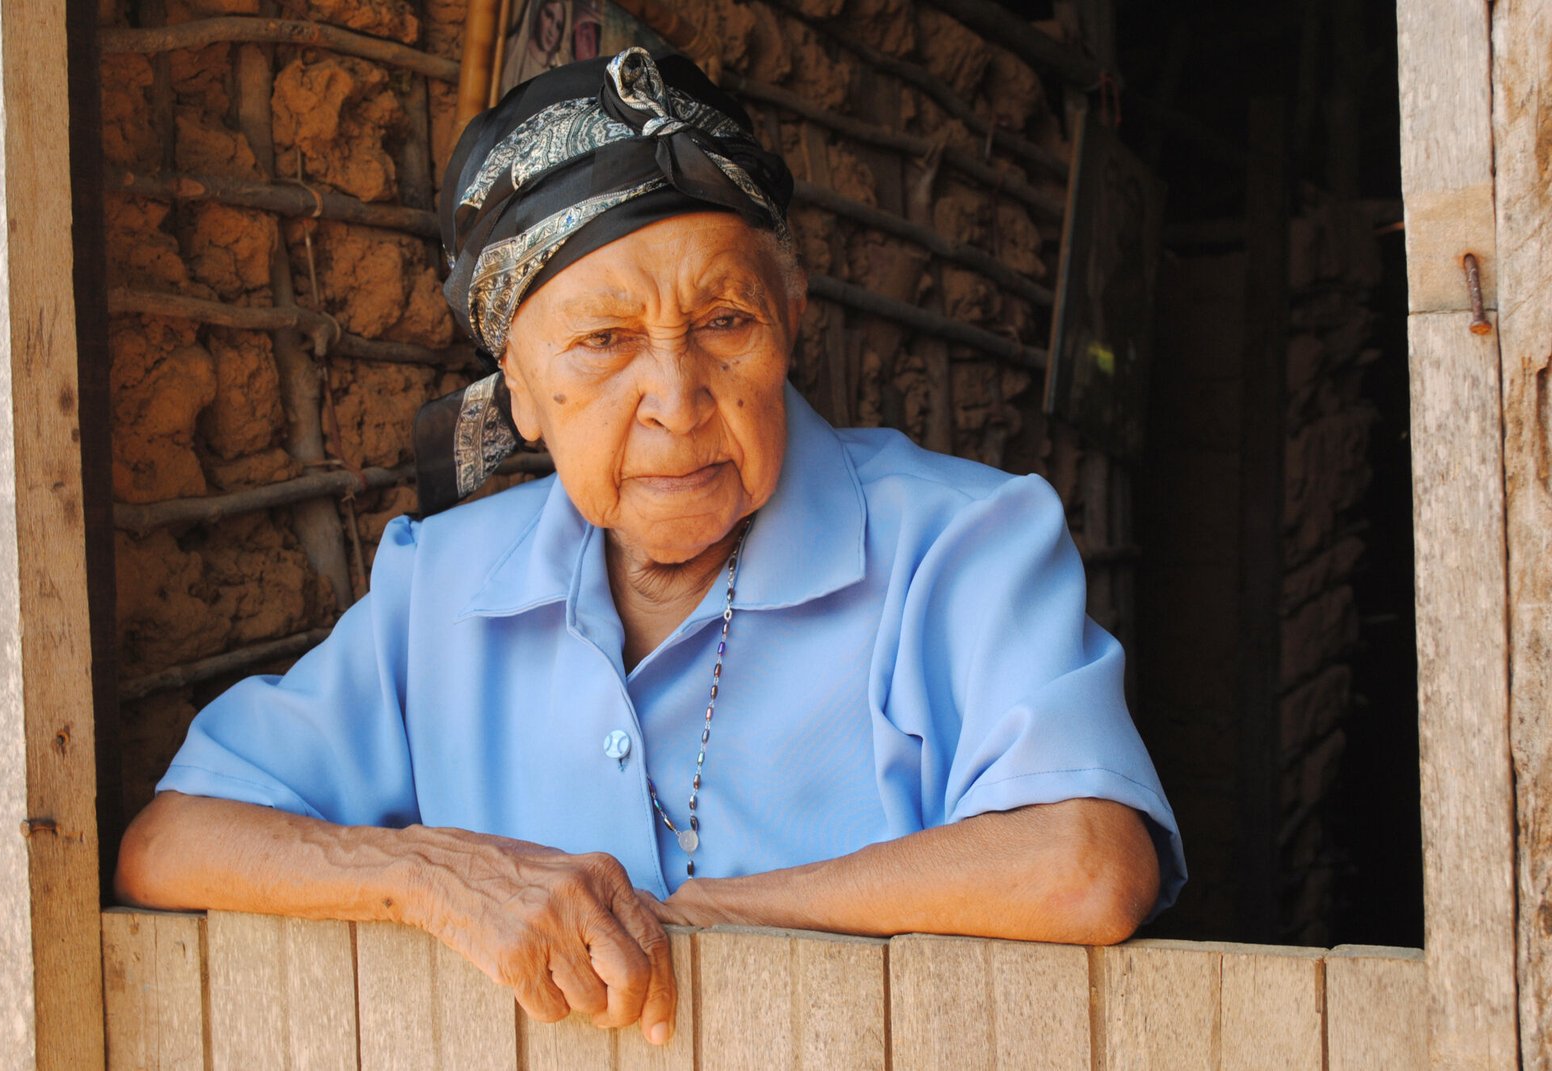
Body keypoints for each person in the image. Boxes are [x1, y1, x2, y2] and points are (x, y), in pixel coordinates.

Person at [116, 48, 1185, 1049]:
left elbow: (1084, 866)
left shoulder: (958, 544)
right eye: (602, 342)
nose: (675, 402)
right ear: (522, 394)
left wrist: (706, 918)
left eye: (724, 322)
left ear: (791, 318)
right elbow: (172, 843)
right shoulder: (440, 589)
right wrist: (433, 875)